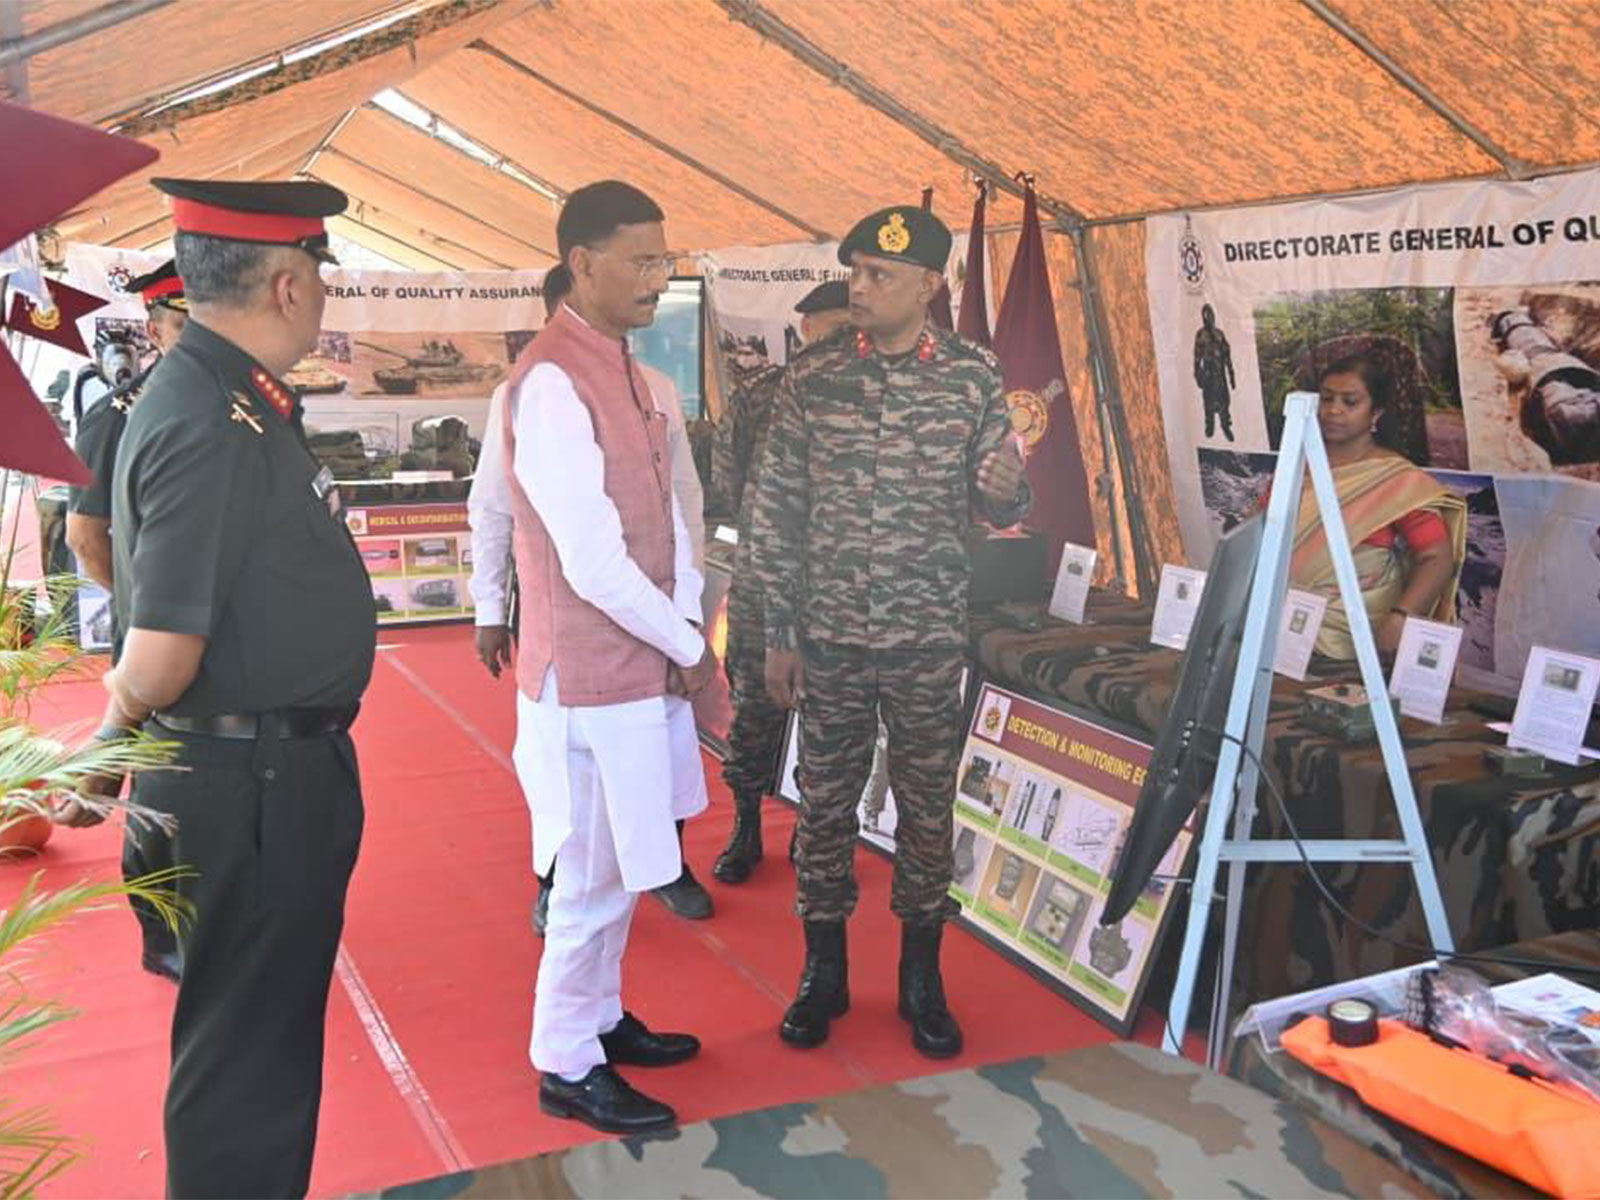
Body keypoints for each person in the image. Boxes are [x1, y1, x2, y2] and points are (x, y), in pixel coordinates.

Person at [70, 177, 373, 1198]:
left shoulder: (225, 396)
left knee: (257, 1047)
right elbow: (160, 651)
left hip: (266, 771)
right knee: (247, 1062)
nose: (324, 297)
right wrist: (104, 753)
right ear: (289, 283)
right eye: (322, 275)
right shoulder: (206, 415)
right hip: (250, 782)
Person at [751, 204, 1029, 1058]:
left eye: (879, 275)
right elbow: (777, 508)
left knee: (926, 811)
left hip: (924, 637)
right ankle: (823, 973)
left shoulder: (975, 377)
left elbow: (1003, 502)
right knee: (824, 806)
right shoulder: (816, 375)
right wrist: (776, 632)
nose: (860, 287)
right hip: (828, 635)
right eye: (858, 271)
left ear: (930, 286)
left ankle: (921, 976)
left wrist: (1010, 486)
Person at [505, 180, 714, 1135]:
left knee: (631, 860)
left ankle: (596, 1019)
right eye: (640, 260)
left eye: (665, 260)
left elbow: (669, 512)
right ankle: (563, 1059)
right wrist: (687, 643)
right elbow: (590, 559)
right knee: (586, 874)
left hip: (639, 670)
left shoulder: (624, 367)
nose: (657, 278)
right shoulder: (550, 380)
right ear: (582, 263)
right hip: (589, 682)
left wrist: (686, 619)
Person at [470, 263, 712, 932]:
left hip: (660, 616)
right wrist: (490, 608)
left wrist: (684, 612)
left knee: (662, 759)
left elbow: (682, 504)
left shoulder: (655, 388)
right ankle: (554, 881)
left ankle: (669, 866)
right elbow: (492, 509)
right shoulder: (529, 391)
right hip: (582, 632)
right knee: (572, 792)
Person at [61, 260, 188, 983]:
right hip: (152, 629)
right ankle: (159, 930)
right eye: (178, 325)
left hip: (201, 629)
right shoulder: (115, 415)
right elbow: (86, 537)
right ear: (153, 328)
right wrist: (145, 600)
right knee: (149, 781)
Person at [710, 279, 849, 883]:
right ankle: (746, 825)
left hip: (841, 594)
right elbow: (728, 482)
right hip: (765, 583)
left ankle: (809, 834)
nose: (843, 342)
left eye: (854, 330)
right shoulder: (760, 395)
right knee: (754, 708)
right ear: (807, 330)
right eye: (834, 330)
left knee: (834, 722)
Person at [1279, 352, 1466, 659]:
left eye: (1350, 402)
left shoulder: (1395, 480)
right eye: (1326, 399)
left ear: (1375, 413)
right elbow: (1256, 536)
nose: (1334, 410)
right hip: (1282, 631)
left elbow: (1436, 558)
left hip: (1354, 643)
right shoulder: (1296, 468)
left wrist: (1400, 617)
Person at [1193, 302, 1235, 442]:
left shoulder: (1219, 334)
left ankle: (1225, 425)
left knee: (1224, 401)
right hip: (1208, 373)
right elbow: (1197, 356)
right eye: (1206, 316)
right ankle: (1209, 424)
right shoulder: (1200, 334)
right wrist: (1197, 373)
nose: (1209, 318)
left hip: (1220, 372)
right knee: (1208, 401)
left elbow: (1227, 354)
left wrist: (1231, 374)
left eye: (1210, 315)